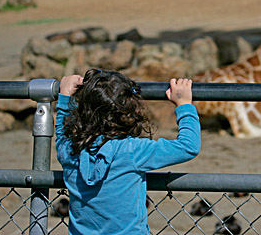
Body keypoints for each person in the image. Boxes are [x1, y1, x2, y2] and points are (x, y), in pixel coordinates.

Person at [56, 68, 200, 235]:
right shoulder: (131, 151)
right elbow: (188, 146)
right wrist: (184, 105)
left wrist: (65, 96)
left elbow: (61, 133)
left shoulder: (70, 151)